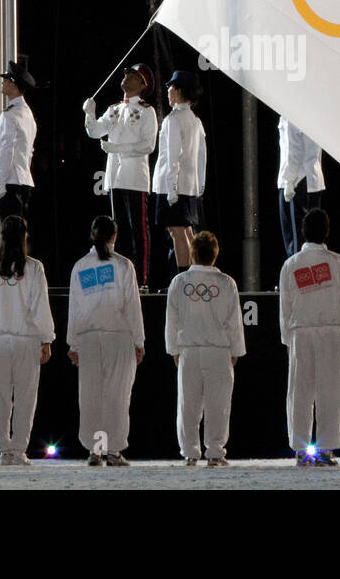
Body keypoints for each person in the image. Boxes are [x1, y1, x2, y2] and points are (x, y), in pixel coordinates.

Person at [278, 208, 340, 467]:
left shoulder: (291, 264)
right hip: (330, 332)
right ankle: (325, 449)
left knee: (299, 392)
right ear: (327, 231)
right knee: (330, 392)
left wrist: (288, 339)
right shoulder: (338, 262)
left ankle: (301, 449)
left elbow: (285, 307)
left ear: (302, 232)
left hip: (301, 331)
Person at [0, 215, 55, 467]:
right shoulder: (34, 268)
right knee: (25, 397)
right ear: (25, 237)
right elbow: (40, 306)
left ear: (1, 236)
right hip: (26, 341)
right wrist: (47, 339)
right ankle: (17, 449)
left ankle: (4, 449)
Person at [67, 216, 145, 467]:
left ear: (92, 235)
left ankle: (96, 450)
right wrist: (139, 341)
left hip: (89, 339)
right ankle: (112, 450)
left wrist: (74, 343)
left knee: (91, 395)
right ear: (114, 236)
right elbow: (132, 305)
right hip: (118, 337)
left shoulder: (81, 266)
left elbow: (75, 308)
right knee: (117, 396)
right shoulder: (123, 266)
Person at [165, 230, 245, 467]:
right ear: (215, 254)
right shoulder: (226, 283)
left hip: (189, 351)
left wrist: (174, 351)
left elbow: (172, 320)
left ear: (192, 254)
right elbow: (234, 321)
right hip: (218, 351)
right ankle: (215, 452)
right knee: (218, 405)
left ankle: (190, 453)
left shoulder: (179, 283)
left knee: (187, 405)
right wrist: (235, 351)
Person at [84, 63, 158, 289]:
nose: (127, 77)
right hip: (115, 176)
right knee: (119, 231)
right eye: (127, 73)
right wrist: (89, 112)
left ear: (143, 85)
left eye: (134, 76)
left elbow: (148, 145)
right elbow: (94, 131)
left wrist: (117, 148)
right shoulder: (114, 108)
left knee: (139, 231)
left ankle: (141, 280)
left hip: (135, 176)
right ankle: (124, 278)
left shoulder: (147, 111)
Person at [152, 71, 206, 272]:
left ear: (180, 90)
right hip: (189, 184)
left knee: (177, 232)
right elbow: (202, 156)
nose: (168, 91)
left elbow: (173, 155)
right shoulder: (194, 119)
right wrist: (200, 185)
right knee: (186, 230)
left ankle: (183, 276)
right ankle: (199, 271)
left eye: (171, 87)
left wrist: (171, 187)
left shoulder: (173, 119)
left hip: (173, 185)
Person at [0, 60, 38, 227]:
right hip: (23, 179)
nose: (3, 83)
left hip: (9, 181)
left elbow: (6, 149)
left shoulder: (9, 115)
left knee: (10, 233)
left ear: (13, 84)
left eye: (6, 80)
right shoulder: (27, 114)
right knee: (20, 233)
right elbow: (29, 151)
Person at [278, 117, 325, 257]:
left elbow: (293, 151)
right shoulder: (310, 110)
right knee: (313, 239)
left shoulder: (289, 112)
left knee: (295, 240)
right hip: (312, 180)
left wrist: (288, 181)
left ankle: (296, 276)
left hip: (297, 182)